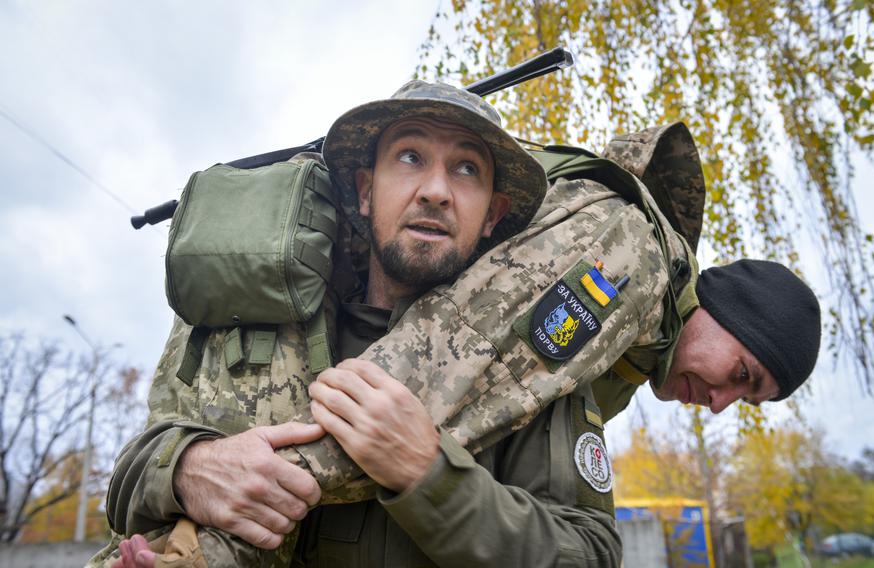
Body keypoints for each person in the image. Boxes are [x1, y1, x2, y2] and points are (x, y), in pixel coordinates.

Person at [95, 82, 821, 568]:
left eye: (468, 170)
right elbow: (133, 470)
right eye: (410, 157)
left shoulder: (539, 375)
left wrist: (430, 477)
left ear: (494, 214)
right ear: (363, 186)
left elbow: (589, 551)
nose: (436, 190)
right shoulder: (253, 319)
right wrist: (187, 470)